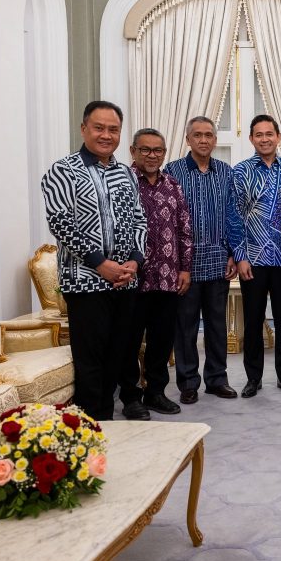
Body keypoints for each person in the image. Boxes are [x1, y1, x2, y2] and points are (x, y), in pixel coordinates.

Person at [41, 100, 147, 421]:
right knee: (90, 361)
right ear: (84, 128)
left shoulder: (127, 174)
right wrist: (101, 263)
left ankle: (107, 421)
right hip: (85, 282)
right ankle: (91, 426)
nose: (106, 135)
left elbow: (139, 220)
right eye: (99, 128)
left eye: (113, 129)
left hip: (125, 281)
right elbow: (61, 223)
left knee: (118, 355)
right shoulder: (63, 171)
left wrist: (135, 261)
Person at [165, 115, 240, 405]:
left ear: (215, 140)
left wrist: (233, 253)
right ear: (188, 139)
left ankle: (217, 379)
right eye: (198, 135)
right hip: (186, 265)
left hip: (219, 261)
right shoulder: (172, 172)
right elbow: (168, 221)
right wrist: (175, 263)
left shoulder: (226, 172)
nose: (204, 140)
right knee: (185, 326)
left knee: (217, 325)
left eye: (209, 135)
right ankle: (188, 382)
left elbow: (233, 215)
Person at [124, 128, 192, 418]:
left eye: (158, 150)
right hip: (131, 279)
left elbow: (184, 229)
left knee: (162, 340)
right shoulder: (122, 181)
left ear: (164, 153)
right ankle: (130, 397)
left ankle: (155, 392)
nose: (152, 156)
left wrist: (185, 268)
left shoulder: (173, 185)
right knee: (129, 341)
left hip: (167, 277)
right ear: (133, 151)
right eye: (145, 150)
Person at [229, 114, 281, 398]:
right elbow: (234, 217)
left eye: (269, 133)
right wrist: (240, 256)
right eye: (259, 134)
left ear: (278, 137)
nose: (265, 139)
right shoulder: (241, 172)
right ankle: (253, 378)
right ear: (251, 139)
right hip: (253, 260)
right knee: (253, 321)